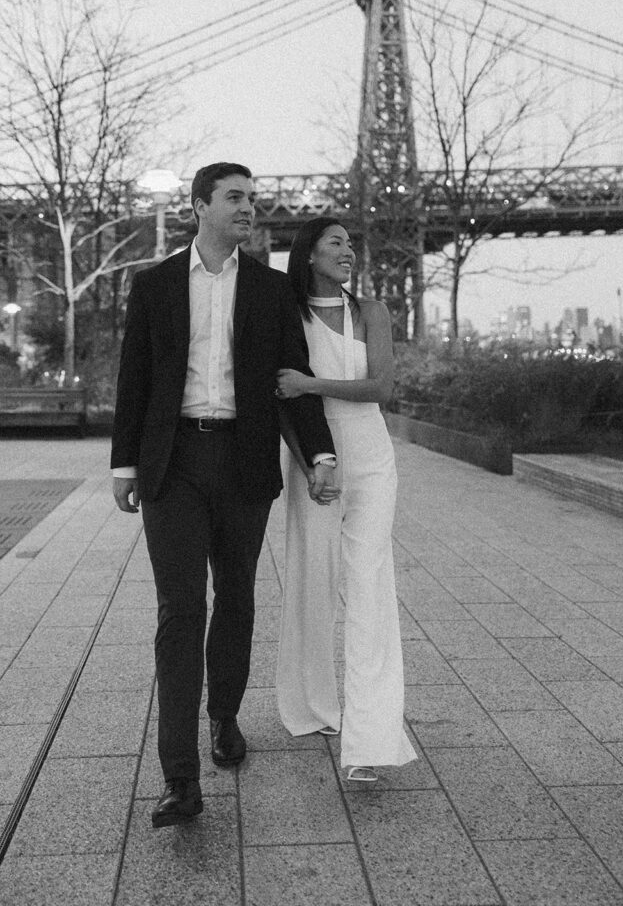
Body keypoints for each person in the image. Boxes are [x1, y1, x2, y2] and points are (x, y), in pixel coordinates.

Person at [111, 163, 338, 828]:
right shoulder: (153, 284)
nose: (247, 208)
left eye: (251, 199)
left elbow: (290, 381)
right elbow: (135, 377)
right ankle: (180, 779)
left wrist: (319, 453)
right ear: (199, 205)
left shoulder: (270, 290)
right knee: (180, 609)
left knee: (235, 594)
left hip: (243, 460)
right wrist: (125, 464)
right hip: (172, 462)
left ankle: (224, 716)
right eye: (234, 198)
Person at [274, 218, 416, 782]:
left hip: (372, 456)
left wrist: (312, 385)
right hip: (316, 458)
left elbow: (382, 389)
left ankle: (371, 737)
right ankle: (312, 706)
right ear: (308, 254)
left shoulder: (371, 312)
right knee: (313, 578)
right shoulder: (289, 316)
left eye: (351, 243)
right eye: (336, 242)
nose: (348, 251)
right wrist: (310, 463)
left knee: (369, 583)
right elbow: (280, 400)